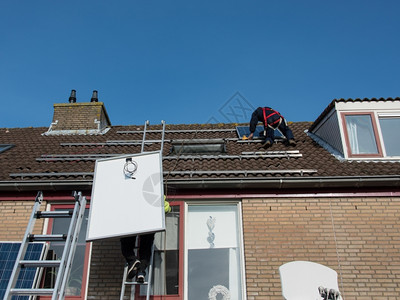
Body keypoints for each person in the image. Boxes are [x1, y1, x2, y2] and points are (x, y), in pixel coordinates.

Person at [120, 196, 171, 282]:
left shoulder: (132, 194)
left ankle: (133, 261)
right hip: (150, 222)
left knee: (126, 243)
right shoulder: (157, 195)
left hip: (133, 220)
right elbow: (166, 209)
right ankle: (141, 271)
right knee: (146, 247)